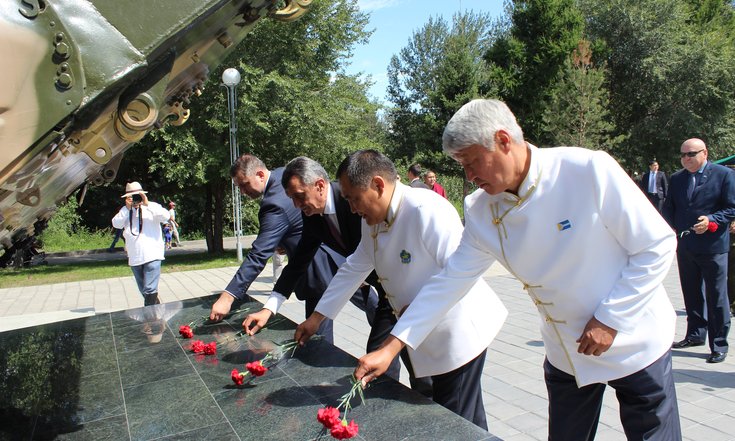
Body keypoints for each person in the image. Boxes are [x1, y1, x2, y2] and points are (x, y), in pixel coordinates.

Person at [355, 99, 681, 440]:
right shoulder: (481, 209)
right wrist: (390, 348)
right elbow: (449, 281)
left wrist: (612, 318)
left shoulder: (586, 170)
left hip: (633, 338)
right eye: (461, 165)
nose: (469, 176)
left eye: (472, 162)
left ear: (504, 140)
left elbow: (656, 244)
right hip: (567, 352)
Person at [294, 150, 507, 429]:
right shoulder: (371, 219)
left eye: (354, 199)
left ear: (378, 185)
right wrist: (317, 318)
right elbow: (354, 266)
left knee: (459, 423)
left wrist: (390, 347)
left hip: (458, 333)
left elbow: (455, 278)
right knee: (457, 422)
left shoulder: (426, 209)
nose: (353, 208)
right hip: (421, 334)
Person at [242, 156, 404, 384]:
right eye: (292, 199)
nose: (297, 206)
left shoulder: (354, 200)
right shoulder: (313, 216)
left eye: (299, 197)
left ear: (319, 185)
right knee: (380, 355)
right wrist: (270, 308)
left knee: (401, 358)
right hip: (376, 287)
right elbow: (299, 261)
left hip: (399, 286)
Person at [208, 154, 340, 343]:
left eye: (244, 184)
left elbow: (258, 255)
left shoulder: (274, 203)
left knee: (319, 338)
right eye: (239, 188)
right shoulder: (281, 174)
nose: (243, 192)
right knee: (372, 306)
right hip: (324, 258)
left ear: (260, 174)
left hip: (319, 266)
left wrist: (228, 297)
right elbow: (297, 226)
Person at [662, 138, 735, 364]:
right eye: (683, 155)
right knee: (691, 292)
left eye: (691, 154)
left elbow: (731, 207)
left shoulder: (723, 175)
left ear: (705, 153)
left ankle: (719, 343)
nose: (686, 159)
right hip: (686, 246)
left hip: (713, 247)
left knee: (716, 296)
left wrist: (712, 219)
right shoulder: (676, 179)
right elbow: (670, 207)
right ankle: (695, 334)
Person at [112, 182, 171, 306]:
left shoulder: (152, 206)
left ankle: (150, 316)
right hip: (135, 256)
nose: (135, 199)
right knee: (143, 289)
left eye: (137, 195)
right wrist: (127, 209)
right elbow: (116, 224)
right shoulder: (125, 211)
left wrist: (147, 203)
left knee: (149, 289)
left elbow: (166, 216)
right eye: (131, 196)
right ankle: (156, 310)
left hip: (152, 254)